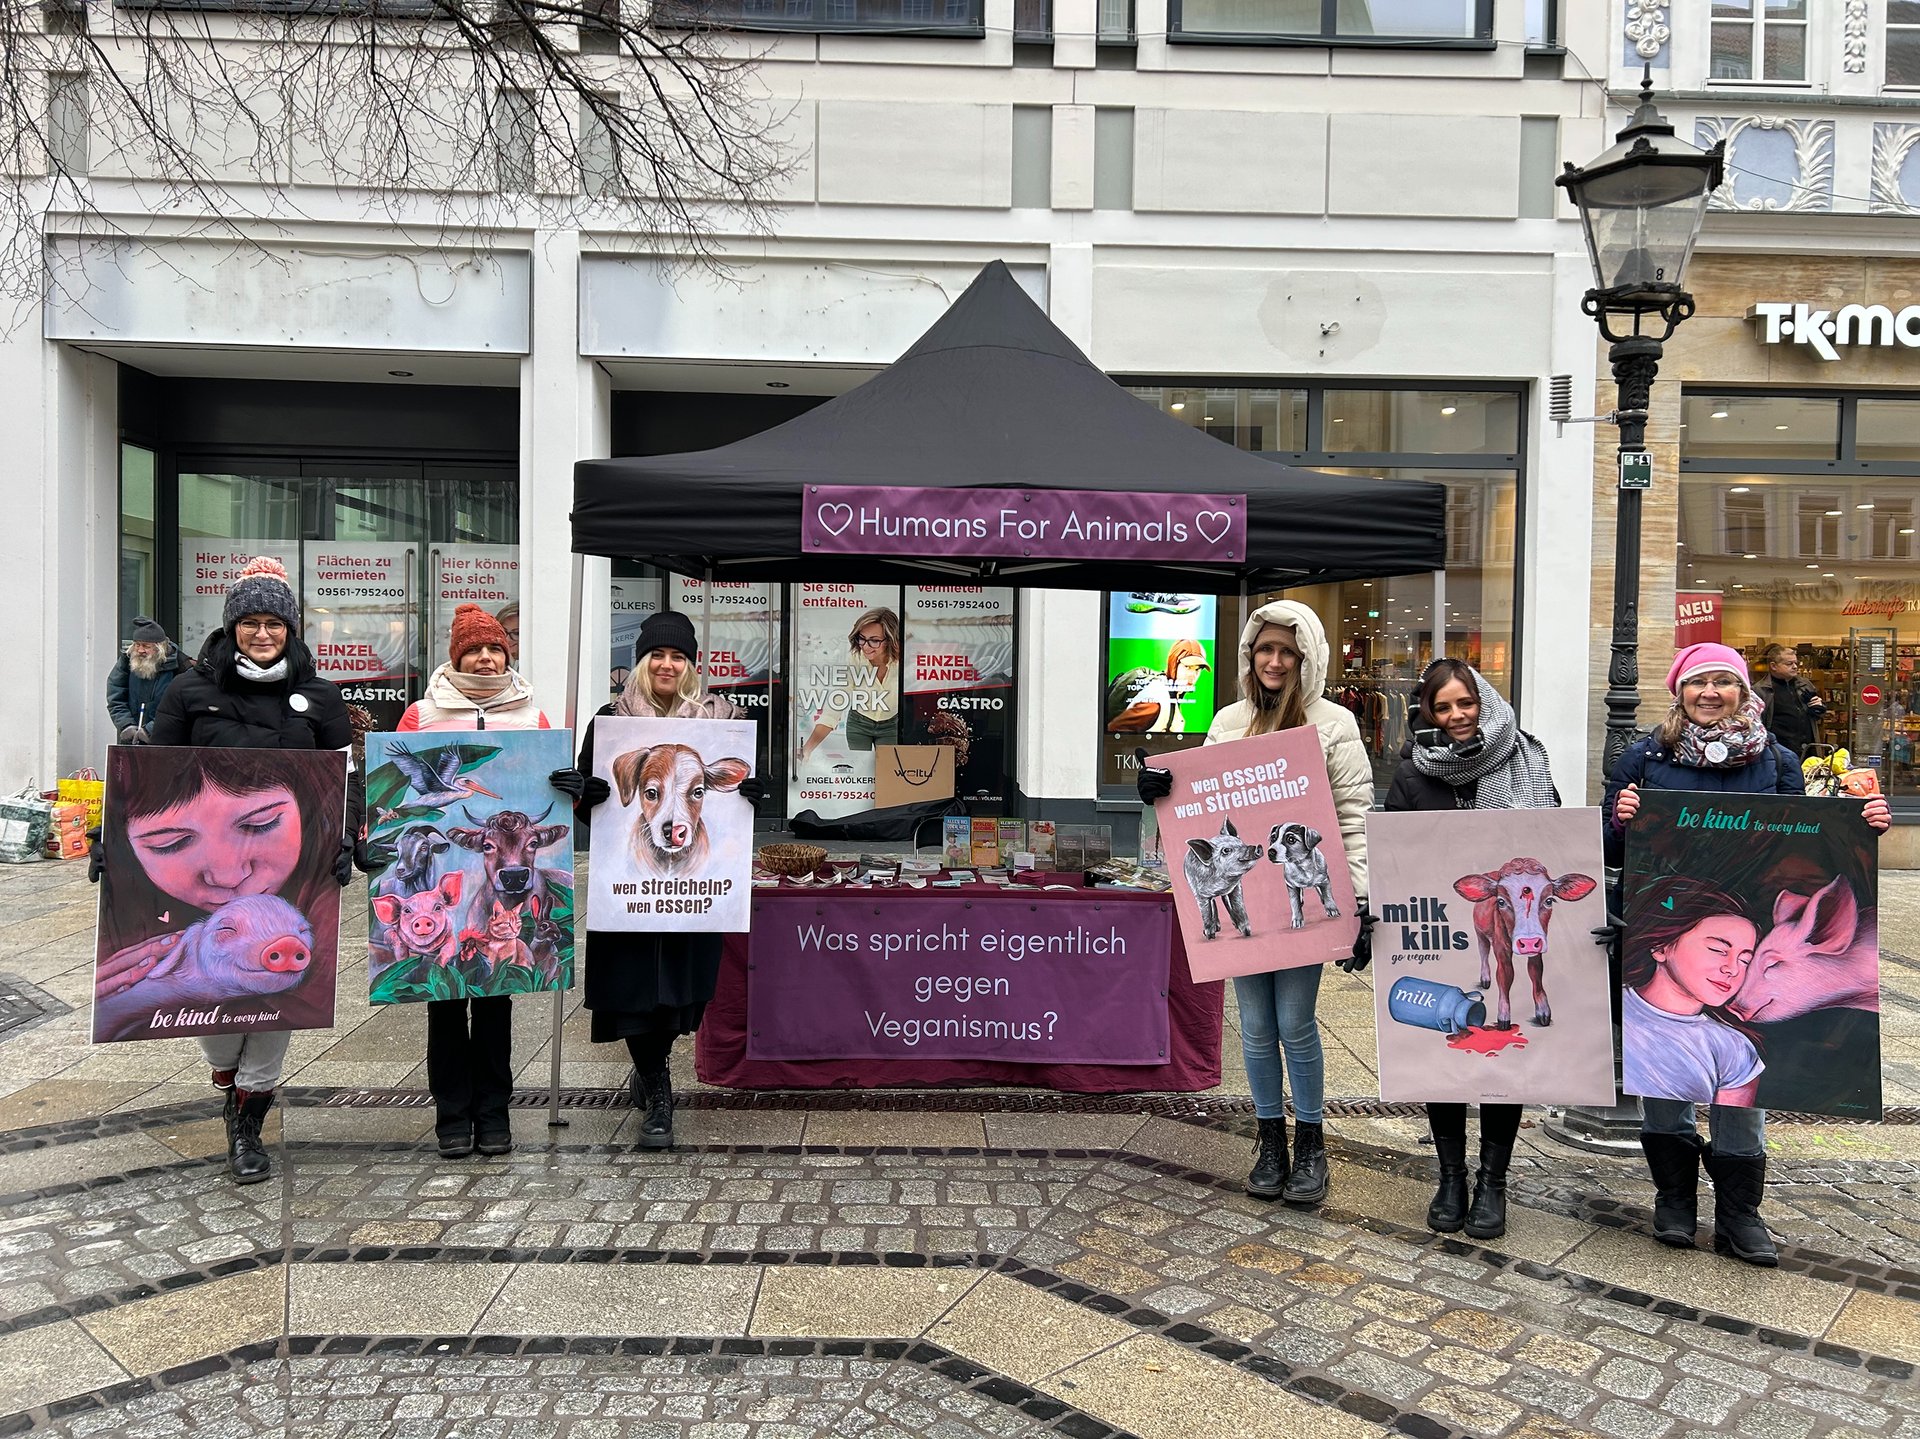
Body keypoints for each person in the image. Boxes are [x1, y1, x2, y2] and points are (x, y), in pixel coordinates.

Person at [1606, 640, 1890, 1267]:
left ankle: (1740, 1212)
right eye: (1698, 682)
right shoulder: (1646, 756)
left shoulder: (1778, 760)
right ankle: (1674, 1198)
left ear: (1743, 692)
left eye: (1723, 683)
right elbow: (1608, 841)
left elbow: (1816, 833)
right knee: (1665, 1074)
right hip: (1668, 935)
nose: (1710, 694)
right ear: (1678, 691)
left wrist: (1862, 820)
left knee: (1743, 1081)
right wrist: (1623, 817)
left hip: (1751, 940)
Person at [120, 557, 360, 1184]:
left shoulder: (321, 695)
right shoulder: (189, 692)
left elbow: (345, 775)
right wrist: (108, 844)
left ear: (291, 629)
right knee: (213, 997)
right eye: (249, 623)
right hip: (201, 865)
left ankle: (249, 1121)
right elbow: (147, 780)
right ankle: (230, 1080)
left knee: (275, 996)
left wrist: (346, 837)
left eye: (274, 623)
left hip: (289, 867)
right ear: (231, 629)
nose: (262, 634)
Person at [1138, 600, 1372, 1206]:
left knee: (1295, 1023)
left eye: (1286, 651)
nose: (1274, 660)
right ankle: (1270, 1139)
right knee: (1257, 1028)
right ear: (1249, 656)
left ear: (1306, 657)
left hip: (1296, 899)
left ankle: (1312, 1143)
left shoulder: (1335, 724)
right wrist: (1159, 791)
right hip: (1247, 896)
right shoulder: (1228, 720)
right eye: (1264, 649)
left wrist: (1361, 899)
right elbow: (1197, 806)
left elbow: (1353, 819)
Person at [1382, 658, 1575, 1241]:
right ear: (1429, 715)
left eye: (1465, 702)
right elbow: (1397, 857)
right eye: (1442, 708)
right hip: (1442, 927)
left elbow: (1555, 842)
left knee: (1504, 1056)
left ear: (1484, 700)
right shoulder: (1414, 774)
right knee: (1447, 1052)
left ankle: (1493, 1180)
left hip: (1517, 924)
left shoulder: (1527, 761)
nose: (1457, 716)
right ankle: (1450, 1177)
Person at [568, 610, 766, 1148]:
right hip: (630, 887)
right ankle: (657, 1084)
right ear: (641, 661)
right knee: (634, 991)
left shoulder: (719, 720)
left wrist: (755, 793)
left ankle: (649, 1063)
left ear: (691, 665)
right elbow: (592, 813)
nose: (667, 664)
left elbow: (741, 801)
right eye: (657, 654)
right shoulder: (611, 722)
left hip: (693, 891)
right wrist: (582, 790)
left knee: (682, 994)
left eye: (678, 656)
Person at [393, 604, 558, 1160]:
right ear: (455, 656)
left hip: (498, 886)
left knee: (496, 997)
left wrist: (571, 784)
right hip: (446, 880)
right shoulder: (421, 715)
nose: (486, 659)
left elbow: (555, 797)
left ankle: (494, 1111)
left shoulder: (534, 717)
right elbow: (398, 791)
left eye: (496, 650)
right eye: (474, 650)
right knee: (444, 999)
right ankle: (451, 1113)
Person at [798, 607, 900, 759]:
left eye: (874, 641)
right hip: (859, 723)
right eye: (862, 638)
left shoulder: (902, 662)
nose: (865, 646)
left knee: (889, 773)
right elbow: (836, 704)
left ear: (890, 640)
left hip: (893, 725)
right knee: (859, 773)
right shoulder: (855, 658)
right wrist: (808, 749)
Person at [106, 616, 187, 743]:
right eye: (137, 645)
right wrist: (126, 725)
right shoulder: (127, 662)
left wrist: (150, 730)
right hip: (133, 739)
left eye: (146, 646)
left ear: (159, 647)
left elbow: (181, 708)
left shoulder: (181, 666)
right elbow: (115, 697)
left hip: (169, 742)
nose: (140, 650)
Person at [1753, 643, 1825, 757]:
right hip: (1778, 752)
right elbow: (1756, 726)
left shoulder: (1805, 685)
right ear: (1773, 666)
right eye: (1789, 664)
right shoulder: (1761, 691)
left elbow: (1815, 717)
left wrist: (1818, 708)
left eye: (1796, 663)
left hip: (1808, 750)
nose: (1795, 666)